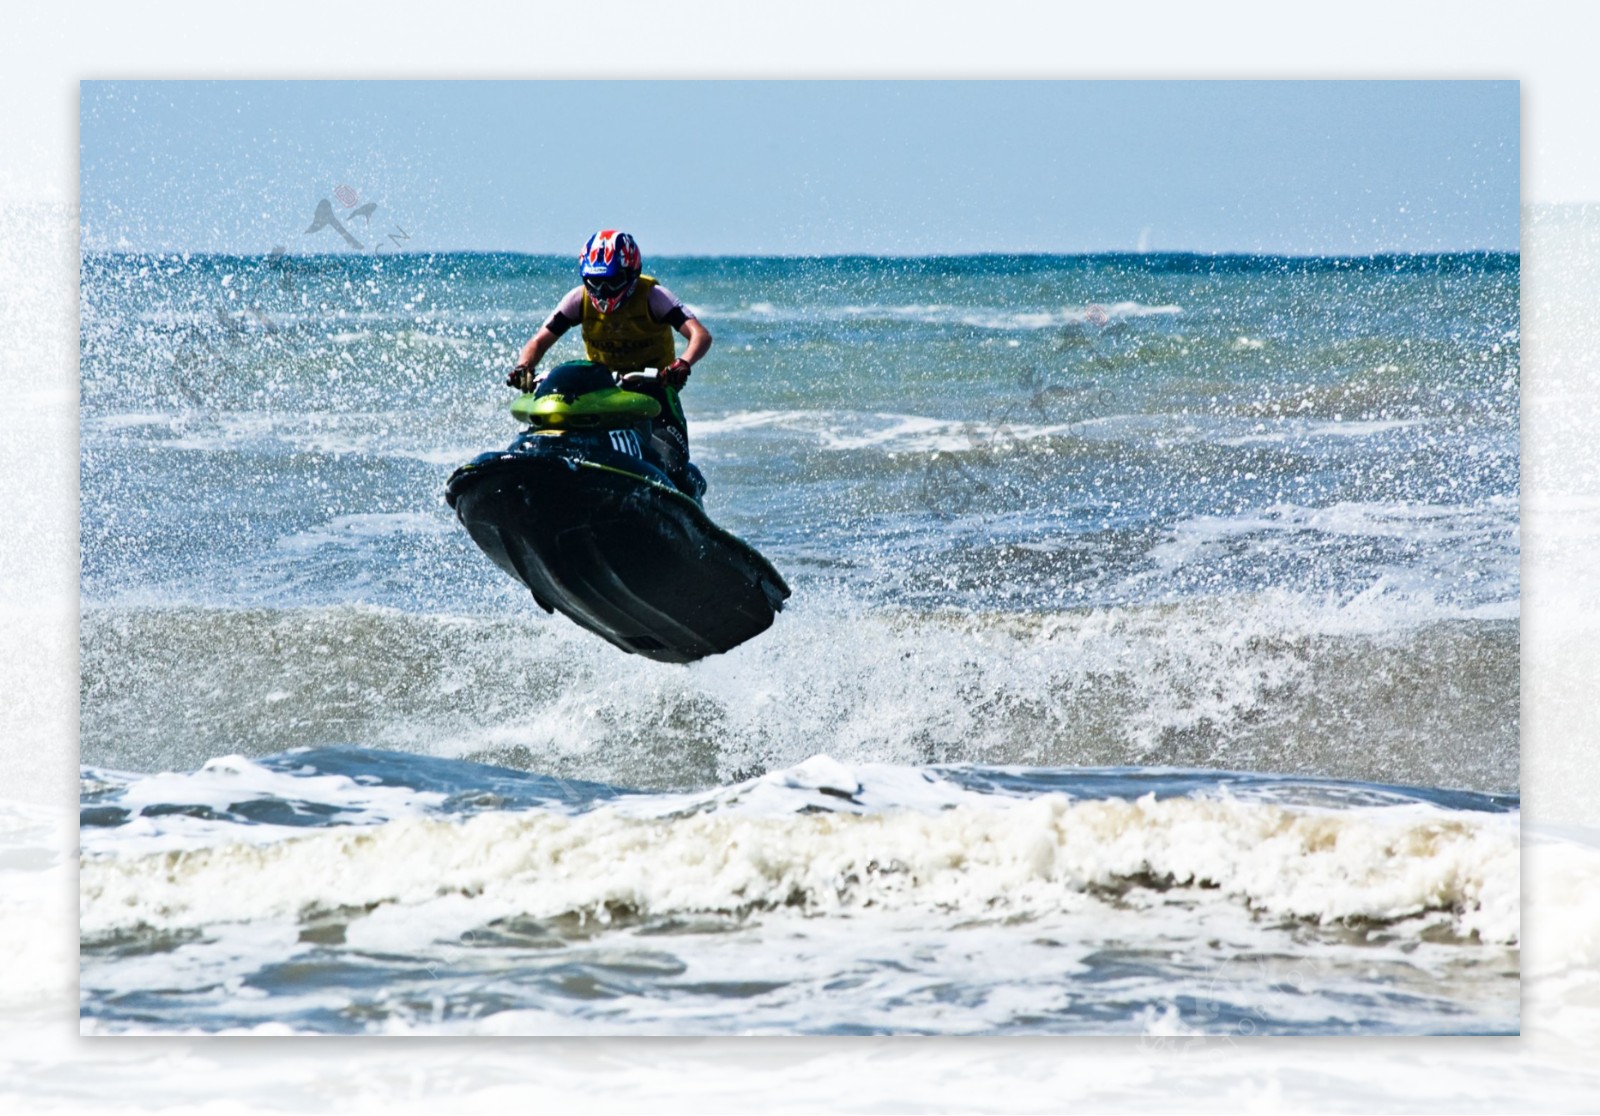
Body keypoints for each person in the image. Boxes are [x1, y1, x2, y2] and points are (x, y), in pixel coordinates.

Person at [508, 230, 712, 494]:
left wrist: (682, 364)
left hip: (655, 388)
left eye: (612, 281)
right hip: (604, 390)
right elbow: (538, 342)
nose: (602, 292)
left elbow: (700, 335)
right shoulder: (577, 300)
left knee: (673, 466)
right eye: (594, 281)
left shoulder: (654, 297)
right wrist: (524, 368)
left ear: (631, 274)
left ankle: (687, 498)